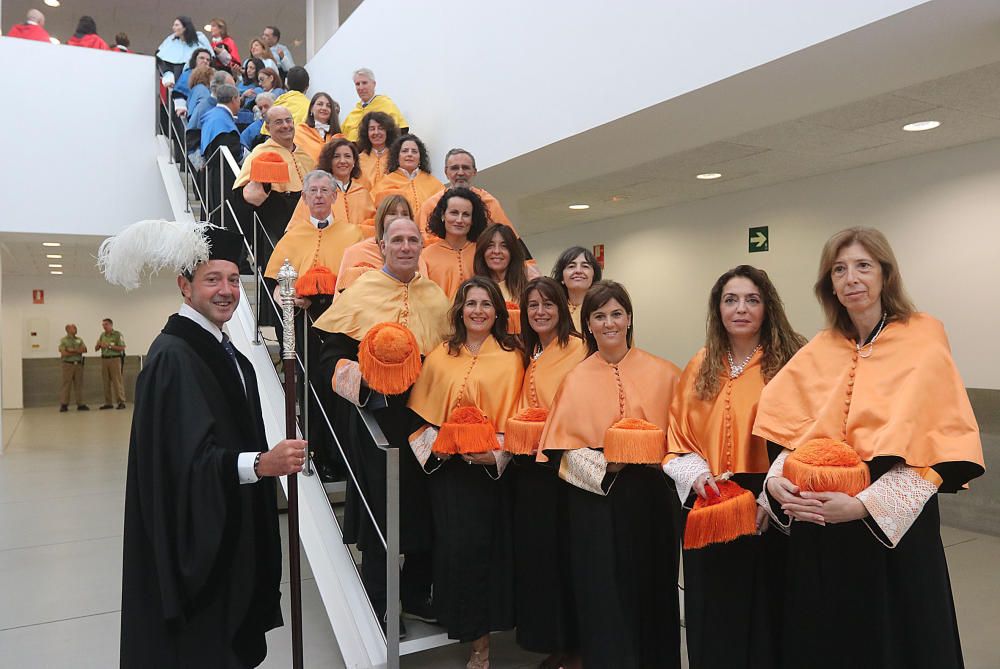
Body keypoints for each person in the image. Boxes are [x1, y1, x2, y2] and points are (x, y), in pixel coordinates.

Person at [752, 227, 985, 669]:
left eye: (863, 266)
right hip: (822, 527)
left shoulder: (923, 337)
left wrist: (863, 507)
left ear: (885, 275)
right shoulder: (820, 348)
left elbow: (940, 451)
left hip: (890, 529)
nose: (851, 278)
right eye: (839, 270)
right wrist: (776, 482)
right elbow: (787, 436)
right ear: (829, 285)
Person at [108, 222, 306, 668]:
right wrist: (260, 463)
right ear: (184, 285)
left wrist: (259, 461)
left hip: (231, 529)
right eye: (212, 279)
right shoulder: (174, 356)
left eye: (234, 279)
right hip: (196, 542)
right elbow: (182, 464)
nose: (227, 291)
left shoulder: (226, 350)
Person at [663, 265, 805, 669]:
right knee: (713, 607)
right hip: (708, 501)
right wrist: (695, 476)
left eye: (751, 299)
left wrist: (771, 497)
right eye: (731, 299)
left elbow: (808, 437)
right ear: (718, 308)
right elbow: (677, 437)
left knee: (766, 608)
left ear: (767, 307)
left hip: (769, 502)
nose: (740, 309)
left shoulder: (790, 363)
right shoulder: (699, 364)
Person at [314, 215, 450, 634]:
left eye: (413, 240)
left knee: (428, 506)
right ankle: (379, 599)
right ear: (383, 245)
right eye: (398, 240)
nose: (406, 247)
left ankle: (415, 591)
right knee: (381, 509)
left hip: (425, 420)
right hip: (377, 419)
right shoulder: (361, 291)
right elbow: (328, 357)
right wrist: (368, 383)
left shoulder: (437, 298)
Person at [538, 280, 682, 669]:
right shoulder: (574, 379)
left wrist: (652, 458)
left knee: (654, 587)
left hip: (653, 499)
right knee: (603, 592)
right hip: (596, 505)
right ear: (587, 325)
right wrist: (611, 464)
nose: (609, 323)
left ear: (629, 318)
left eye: (616, 314)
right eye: (599, 316)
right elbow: (559, 455)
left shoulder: (665, 373)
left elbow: (683, 441)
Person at [407, 276, 524, 669]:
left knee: (483, 555)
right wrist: (438, 448)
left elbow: (520, 416)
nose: (478, 311)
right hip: (447, 476)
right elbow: (420, 416)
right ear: (459, 310)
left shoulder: (512, 356)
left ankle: (482, 644)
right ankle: (460, 623)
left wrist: (497, 455)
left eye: (486, 305)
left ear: (498, 312)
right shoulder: (441, 354)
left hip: (488, 477)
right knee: (453, 551)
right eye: (471, 304)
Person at [265, 169, 364, 482]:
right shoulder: (292, 237)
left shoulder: (353, 234)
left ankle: (346, 457)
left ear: (335, 197)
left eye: (325, 190)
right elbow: (276, 284)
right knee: (313, 393)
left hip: (341, 325)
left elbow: (361, 278)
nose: (319, 196)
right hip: (305, 324)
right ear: (304, 198)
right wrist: (295, 297)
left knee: (340, 390)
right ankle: (321, 456)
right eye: (313, 192)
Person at [509, 277, 586, 666]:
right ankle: (553, 642)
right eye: (533, 305)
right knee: (540, 556)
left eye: (548, 305)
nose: (540, 312)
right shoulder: (527, 350)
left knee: (567, 554)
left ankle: (574, 647)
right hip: (529, 469)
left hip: (564, 466)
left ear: (562, 309)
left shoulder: (579, 349)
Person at [230, 105, 315, 273]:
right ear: (268, 127)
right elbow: (242, 196)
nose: (285, 126)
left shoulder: (304, 155)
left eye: (288, 120)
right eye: (278, 122)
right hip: (275, 225)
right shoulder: (260, 154)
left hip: (305, 226)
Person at [417, 149, 516, 243]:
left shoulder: (488, 202)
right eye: (454, 168)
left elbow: (509, 238)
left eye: (465, 168)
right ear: (446, 172)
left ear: (474, 172)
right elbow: (424, 241)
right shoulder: (431, 205)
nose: (460, 173)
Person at [419, 187, 489, 299]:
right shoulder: (425, 256)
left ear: (473, 220)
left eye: (466, 214)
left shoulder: (483, 251)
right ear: (443, 215)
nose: (459, 220)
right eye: (454, 213)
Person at [336, 194, 412, 292]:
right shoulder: (354, 252)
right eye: (392, 213)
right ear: (382, 218)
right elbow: (340, 301)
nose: (399, 218)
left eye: (405, 214)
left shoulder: (416, 255)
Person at [371, 135, 443, 224]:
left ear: (420, 157)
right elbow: (375, 214)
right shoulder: (384, 183)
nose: (409, 154)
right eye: (405, 151)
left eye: (414, 151)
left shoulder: (435, 184)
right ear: (397, 157)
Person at [201, 85, 243, 226]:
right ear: (234, 99)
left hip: (213, 175)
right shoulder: (222, 120)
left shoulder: (212, 115)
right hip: (223, 178)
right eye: (239, 99)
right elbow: (233, 150)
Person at [341, 68, 409, 142]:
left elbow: (400, 132)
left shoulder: (386, 105)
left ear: (374, 84)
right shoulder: (352, 114)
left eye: (364, 83)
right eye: (357, 84)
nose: (361, 87)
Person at [473, 222, 528, 305]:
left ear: (512, 252)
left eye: (504, 246)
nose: (496, 251)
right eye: (490, 245)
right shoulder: (472, 290)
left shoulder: (528, 289)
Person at [551, 246, 602, 333]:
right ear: (562, 277)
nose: (578, 271)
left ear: (594, 276)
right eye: (571, 266)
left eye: (585, 266)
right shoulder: (553, 310)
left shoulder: (603, 307)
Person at [356, 111, 399, 191]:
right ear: (366, 133)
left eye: (381, 128)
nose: (376, 132)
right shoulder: (358, 160)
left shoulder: (397, 158)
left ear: (388, 132)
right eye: (372, 129)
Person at [295, 92, 342, 162]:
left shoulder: (338, 136)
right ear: (311, 108)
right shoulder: (299, 132)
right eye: (320, 104)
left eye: (328, 106)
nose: (324, 108)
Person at [95, 318, 127, 410]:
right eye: (103, 325)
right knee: (106, 382)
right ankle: (108, 402)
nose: (104, 326)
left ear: (110, 325)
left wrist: (109, 346)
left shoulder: (117, 335)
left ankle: (121, 402)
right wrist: (98, 345)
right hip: (104, 359)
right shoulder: (102, 335)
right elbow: (97, 348)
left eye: (105, 324)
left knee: (117, 381)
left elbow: (122, 347)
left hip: (115, 359)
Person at [58, 324, 89, 412]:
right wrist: (77, 351)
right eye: (74, 328)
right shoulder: (64, 340)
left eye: (76, 328)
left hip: (78, 365)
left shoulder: (79, 339)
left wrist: (72, 350)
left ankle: (80, 404)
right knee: (66, 384)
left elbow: (85, 349)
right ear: (68, 329)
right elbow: (64, 353)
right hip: (68, 365)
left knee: (79, 385)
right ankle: (64, 404)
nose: (76, 329)